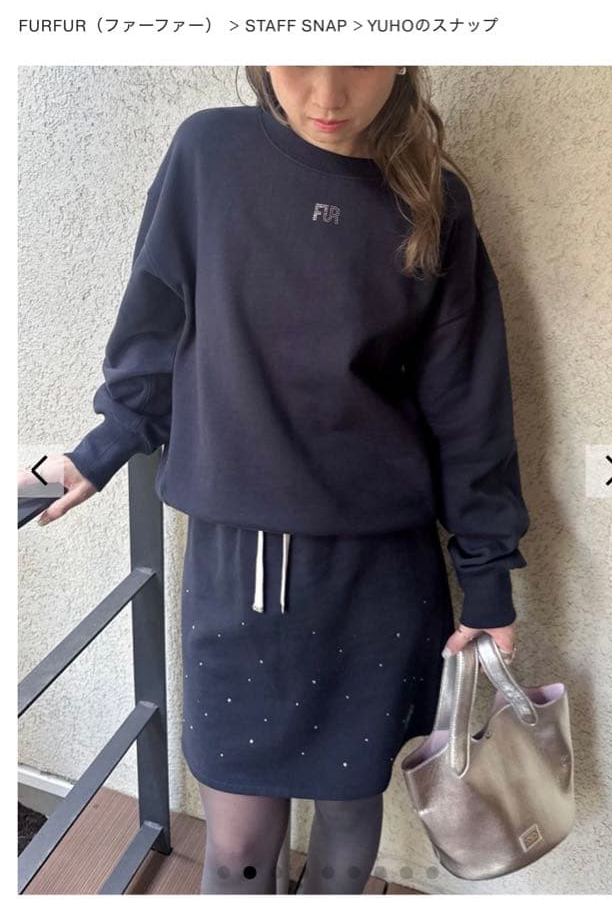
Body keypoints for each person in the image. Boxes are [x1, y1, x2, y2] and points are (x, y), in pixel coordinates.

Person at [19, 66, 529, 894]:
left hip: (379, 572)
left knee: (349, 820)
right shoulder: (209, 154)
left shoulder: (434, 200)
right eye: (298, 57)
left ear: (401, 56)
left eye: (356, 59)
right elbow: (156, 324)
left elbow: (468, 404)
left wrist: (488, 576)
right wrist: (103, 447)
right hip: (236, 564)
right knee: (238, 847)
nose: (325, 95)